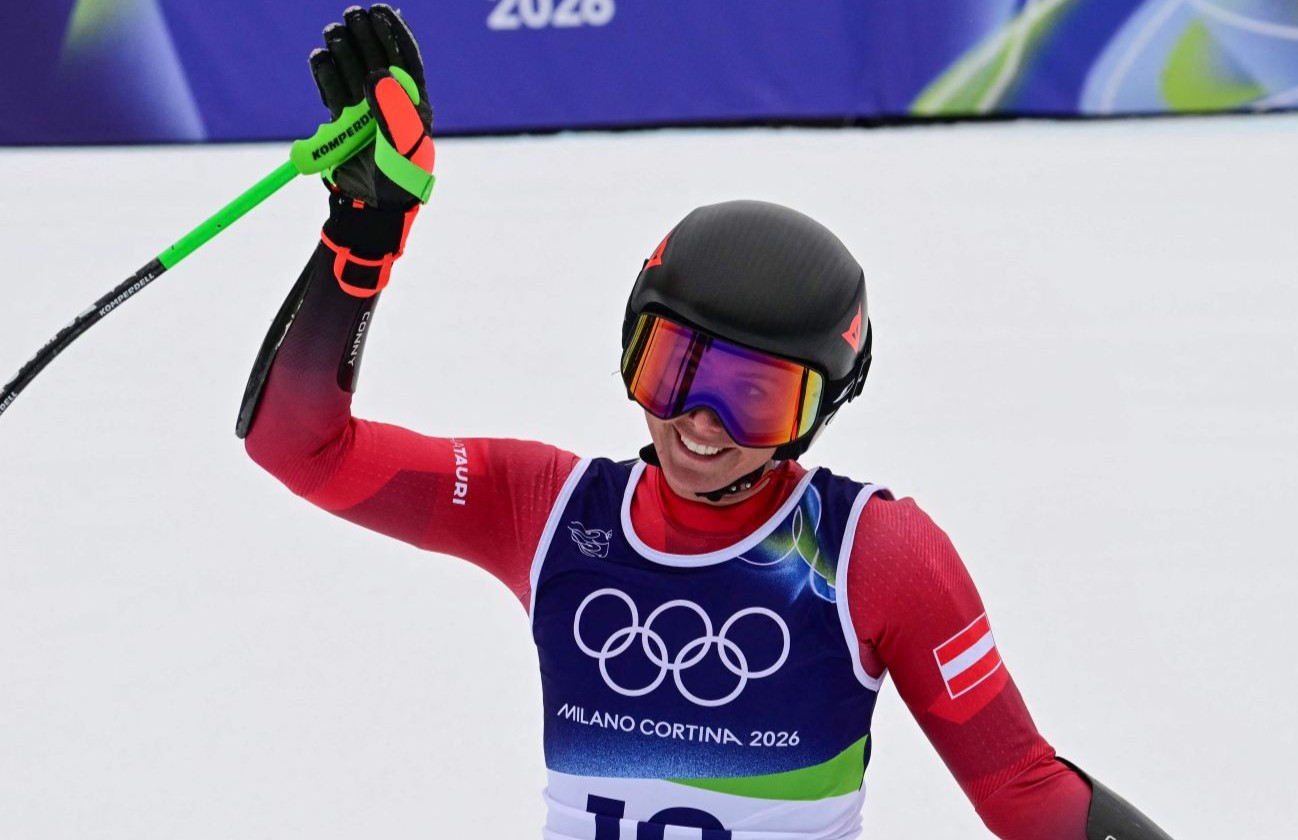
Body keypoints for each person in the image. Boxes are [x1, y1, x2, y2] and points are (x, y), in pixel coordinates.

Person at [237, 6, 1199, 839]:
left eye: (757, 397)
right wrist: (360, 241)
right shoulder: (546, 510)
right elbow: (300, 443)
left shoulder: (875, 555)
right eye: (675, 371)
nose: (701, 423)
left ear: (819, 413)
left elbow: (1024, 790)